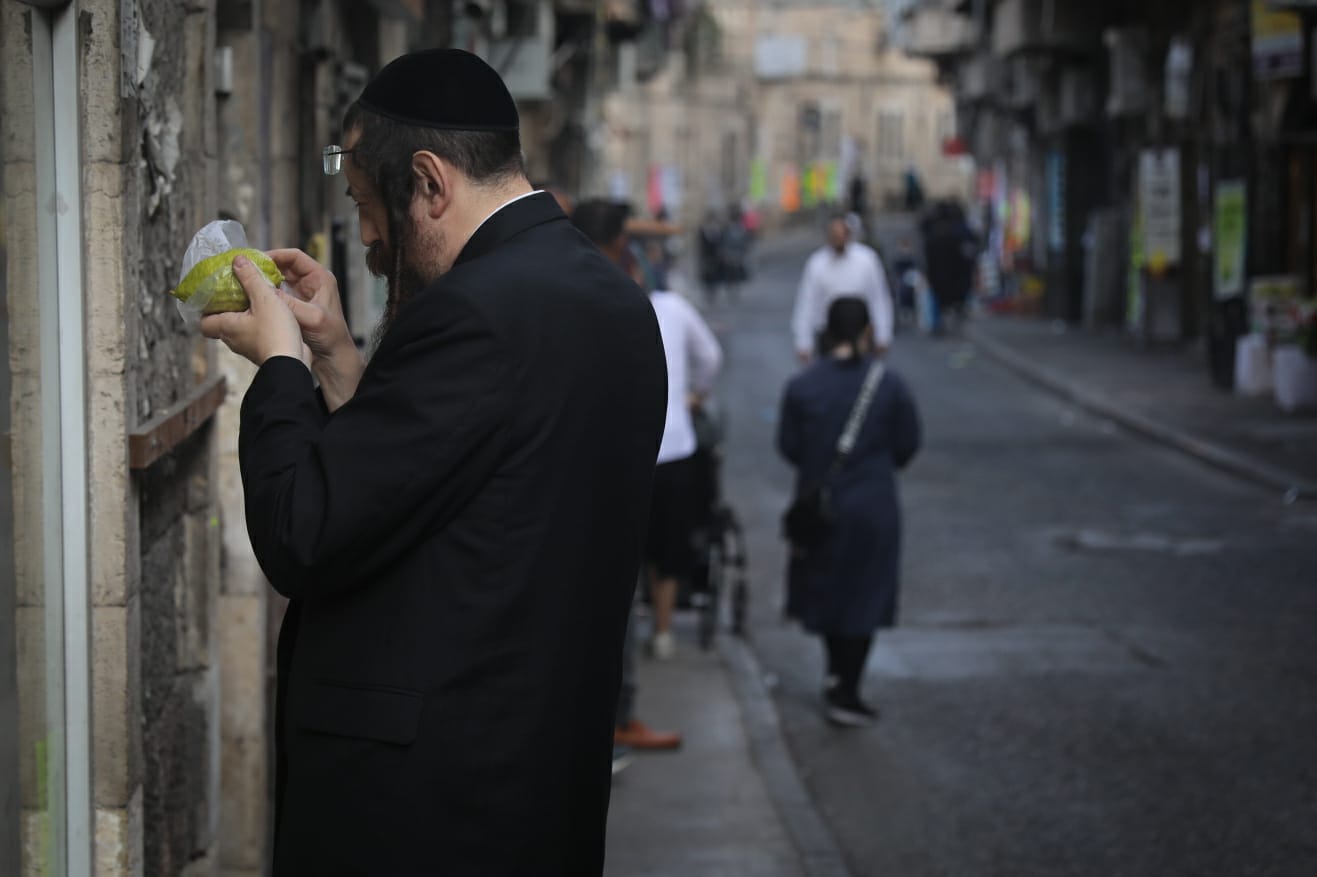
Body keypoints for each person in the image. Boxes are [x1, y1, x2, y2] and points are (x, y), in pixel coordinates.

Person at [200, 49, 667, 875]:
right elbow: (450, 481)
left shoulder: (473, 314)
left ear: (429, 181)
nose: (371, 244)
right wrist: (338, 357)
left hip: (427, 814)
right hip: (532, 792)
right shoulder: (611, 300)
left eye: (366, 209)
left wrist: (276, 366)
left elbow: (301, 531)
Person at [572, 200, 725, 667]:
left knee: (618, 554)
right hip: (672, 448)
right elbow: (711, 359)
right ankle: (661, 632)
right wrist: (693, 397)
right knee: (666, 550)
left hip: (613, 455)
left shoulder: (587, 303)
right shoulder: (671, 309)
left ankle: (622, 634)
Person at [777, 298, 921, 727]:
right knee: (866, 595)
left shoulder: (802, 386)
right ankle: (849, 687)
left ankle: (835, 672)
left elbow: (788, 446)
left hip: (819, 507)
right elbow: (908, 444)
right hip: (873, 506)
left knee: (825, 589)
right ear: (866, 332)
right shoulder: (889, 385)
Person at [791, 214, 894, 364]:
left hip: (862, 334)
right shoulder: (817, 264)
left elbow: (878, 298)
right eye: (834, 233)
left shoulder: (867, 260)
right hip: (829, 336)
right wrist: (803, 341)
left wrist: (883, 334)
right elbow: (807, 302)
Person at [921, 199, 978, 335]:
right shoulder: (958, 233)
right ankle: (949, 323)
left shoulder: (933, 234)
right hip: (954, 275)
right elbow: (967, 253)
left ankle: (938, 324)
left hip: (939, 274)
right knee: (955, 301)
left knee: (938, 300)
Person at [719, 204, 752, 302]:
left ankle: (735, 289)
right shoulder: (728, 229)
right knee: (730, 274)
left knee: (737, 273)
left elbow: (744, 242)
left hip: (737, 254)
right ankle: (731, 289)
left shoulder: (741, 229)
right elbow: (724, 241)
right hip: (730, 254)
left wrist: (742, 253)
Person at [698, 209, 726, 304]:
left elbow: (721, 243)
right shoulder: (703, 231)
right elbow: (701, 246)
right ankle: (709, 293)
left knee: (715, 276)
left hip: (716, 258)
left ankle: (714, 292)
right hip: (707, 258)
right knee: (708, 276)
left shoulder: (718, 230)